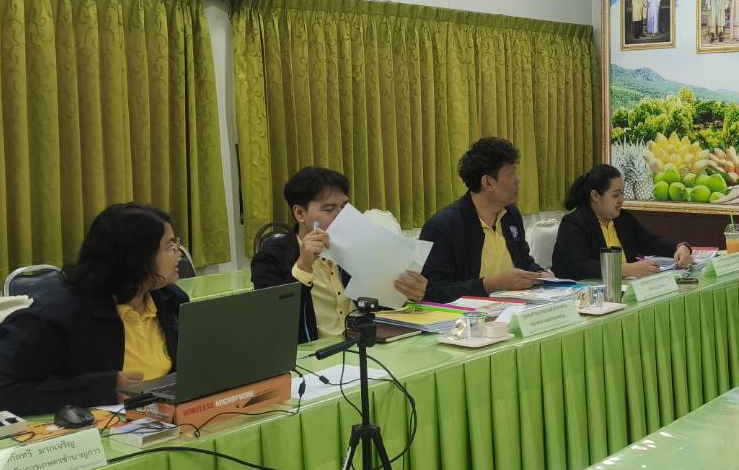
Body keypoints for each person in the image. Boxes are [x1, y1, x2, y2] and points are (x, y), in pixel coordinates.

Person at [0, 203, 188, 416]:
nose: (178, 254)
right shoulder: (57, 315)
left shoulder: (170, 300)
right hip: (94, 433)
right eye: (170, 246)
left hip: (163, 417)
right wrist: (101, 388)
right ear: (136, 257)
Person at [251, 166, 426, 343]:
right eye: (329, 209)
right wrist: (303, 264)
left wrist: (409, 294)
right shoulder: (271, 257)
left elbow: (381, 306)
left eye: (343, 207)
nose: (340, 215)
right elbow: (273, 318)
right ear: (299, 213)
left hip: (365, 347)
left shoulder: (361, 245)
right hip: (312, 356)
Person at [420, 137, 546, 303]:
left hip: (515, 309)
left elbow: (524, 262)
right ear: (488, 183)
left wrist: (541, 274)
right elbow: (433, 291)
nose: (518, 180)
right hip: (468, 321)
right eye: (511, 174)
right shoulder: (443, 226)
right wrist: (489, 285)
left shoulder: (511, 215)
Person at [551, 165, 693, 280]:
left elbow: (652, 242)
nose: (621, 200)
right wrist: (626, 269)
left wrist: (680, 247)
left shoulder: (622, 219)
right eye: (615, 195)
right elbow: (580, 267)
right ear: (595, 196)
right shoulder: (573, 224)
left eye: (622, 193)